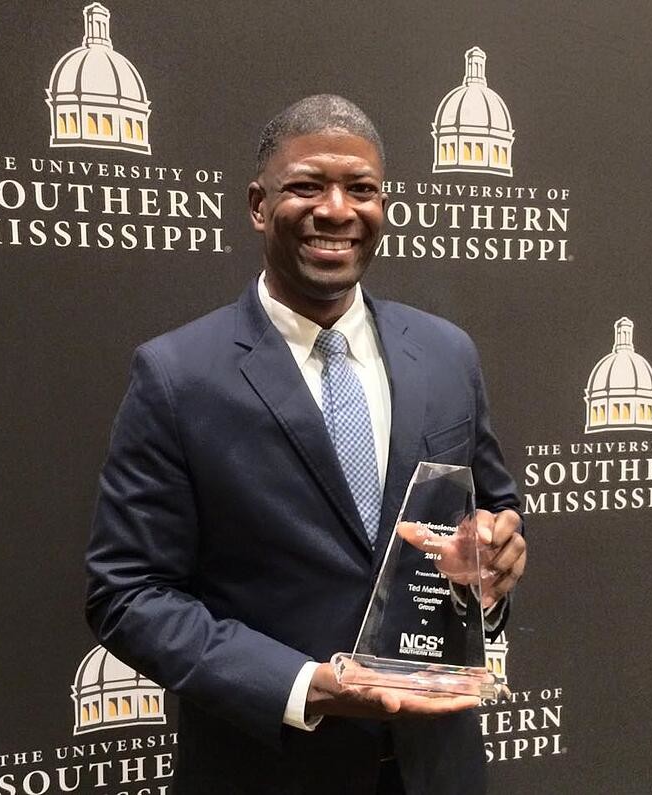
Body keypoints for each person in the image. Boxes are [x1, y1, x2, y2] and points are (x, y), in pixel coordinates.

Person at [86, 94, 526, 795]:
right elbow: (127, 593)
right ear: (258, 205)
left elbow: (495, 516)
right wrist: (303, 686)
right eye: (307, 186)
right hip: (268, 770)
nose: (336, 210)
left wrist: (491, 568)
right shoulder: (176, 375)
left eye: (361, 189)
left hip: (439, 771)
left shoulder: (448, 354)